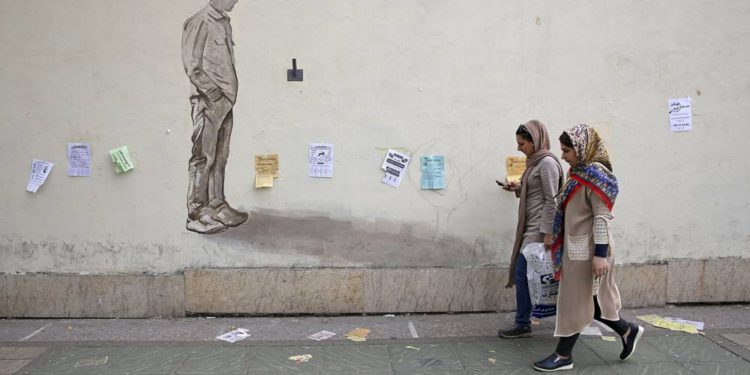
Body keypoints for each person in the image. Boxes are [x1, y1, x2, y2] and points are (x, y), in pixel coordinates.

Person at [532, 124, 644, 372]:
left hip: (591, 251)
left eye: (567, 151)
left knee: (574, 301)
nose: (563, 156)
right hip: (578, 248)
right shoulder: (578, 172)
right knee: (589, 301)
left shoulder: (595, 177)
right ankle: (627, 330)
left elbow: (601, 218)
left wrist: (600, 256)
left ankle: (563, 355)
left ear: (582, 149)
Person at [182, 0, 248, 234]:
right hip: (208, 101)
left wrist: (225, 97)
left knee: (220, 156)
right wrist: (213, 93)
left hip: (225, 102)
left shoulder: (223, 22)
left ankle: (217, 205)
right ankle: (197, 213)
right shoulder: (199, 21)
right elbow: (192, 66)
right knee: (203, 157)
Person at [498, 120, 563, 339]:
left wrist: (548, 233)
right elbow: (534, 190)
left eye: (522, 143)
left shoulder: (547, 164)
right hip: (529, 226)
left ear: (535, 141)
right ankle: (525, 321)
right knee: (524, 274)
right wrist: (517, 188)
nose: (519, 148)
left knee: (521, 272)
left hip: (538, 229)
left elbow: (552, 200)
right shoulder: (534, 162)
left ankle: (523, 323)